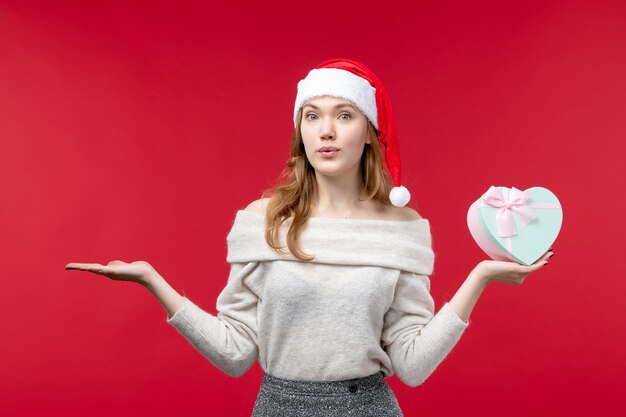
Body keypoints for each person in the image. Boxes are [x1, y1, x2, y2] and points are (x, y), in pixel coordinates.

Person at [65, 58, 555, 417]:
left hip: (369, 409)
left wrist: (480, 278)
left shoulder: (402, 230)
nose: (327, 130)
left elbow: (411, 365)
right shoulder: (263, 222)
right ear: (300, 130)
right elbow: (236, 353)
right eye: (312, 115)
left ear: (369, 132)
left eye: (344, 115)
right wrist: (154, 282)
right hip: (277, 407)